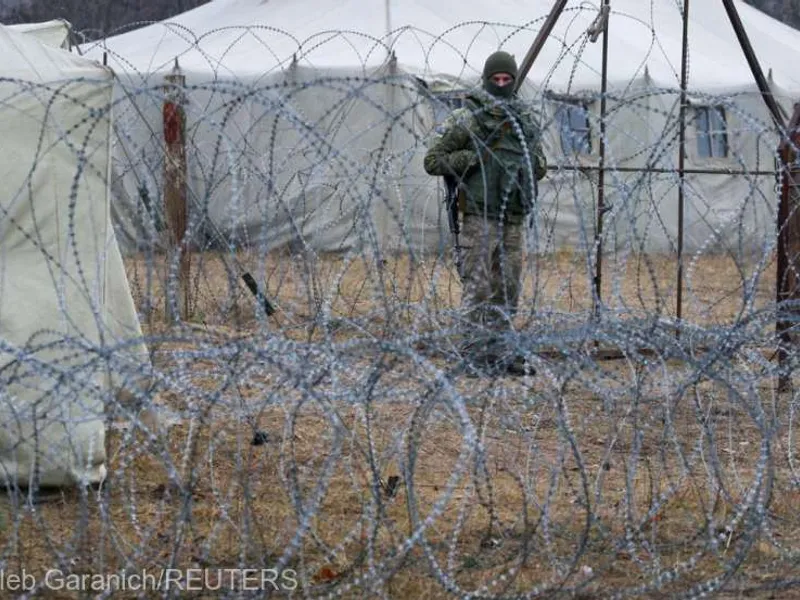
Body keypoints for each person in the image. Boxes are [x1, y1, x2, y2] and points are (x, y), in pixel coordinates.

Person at [424, 50, 547, 375]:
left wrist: (527, 165)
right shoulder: (469, 118)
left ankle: (502, 351)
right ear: (487, 79)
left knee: (507, 287)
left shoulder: (523, 121)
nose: (502, 84)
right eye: (497, 79)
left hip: (513, 217)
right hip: (479, 216)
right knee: (478, 287)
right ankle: (471, 352)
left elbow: (541, 164)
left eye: (508, 79)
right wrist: (474, 156)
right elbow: (433, 160)